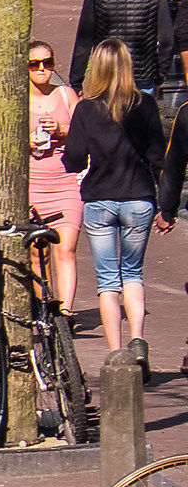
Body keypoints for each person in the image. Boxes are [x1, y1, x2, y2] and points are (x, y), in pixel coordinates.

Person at [65, 36, 165, 357]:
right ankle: (137, 340)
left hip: (100, 198)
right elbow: (157, 155)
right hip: (139, 197)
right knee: (133, 273)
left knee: (107, 281)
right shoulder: (145, 105)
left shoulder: (86, 108)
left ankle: (116, 353)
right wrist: (165, 203)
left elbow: (75, 158)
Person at [26, 39, 83, 317]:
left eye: (47, 63)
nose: (41, 69)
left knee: (66, 247)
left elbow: (84, 135)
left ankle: (66, 312)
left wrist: (62, 130)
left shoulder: (65, 95)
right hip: (33, 183)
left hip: (65, 182)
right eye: (34, 64)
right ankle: (44, 307)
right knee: (39, 253)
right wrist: (27, 141)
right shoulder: (17, 99)